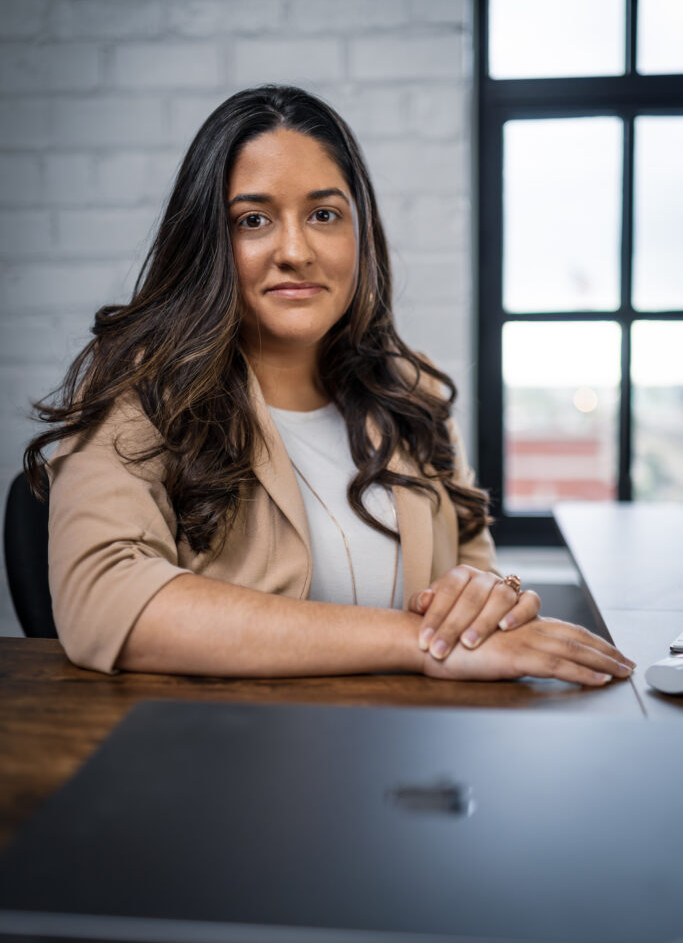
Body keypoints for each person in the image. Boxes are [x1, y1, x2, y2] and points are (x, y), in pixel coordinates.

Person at [24, 84, 635, 686]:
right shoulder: (141, 392)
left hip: (401, 754)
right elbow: (102, 602)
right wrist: (416, 642)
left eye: (323, 215)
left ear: (360, 234)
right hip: (223, 760)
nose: (295, 250)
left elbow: (475, 574)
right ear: (208, 240)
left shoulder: (411, 396)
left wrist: (480, 600)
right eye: (254, 220)